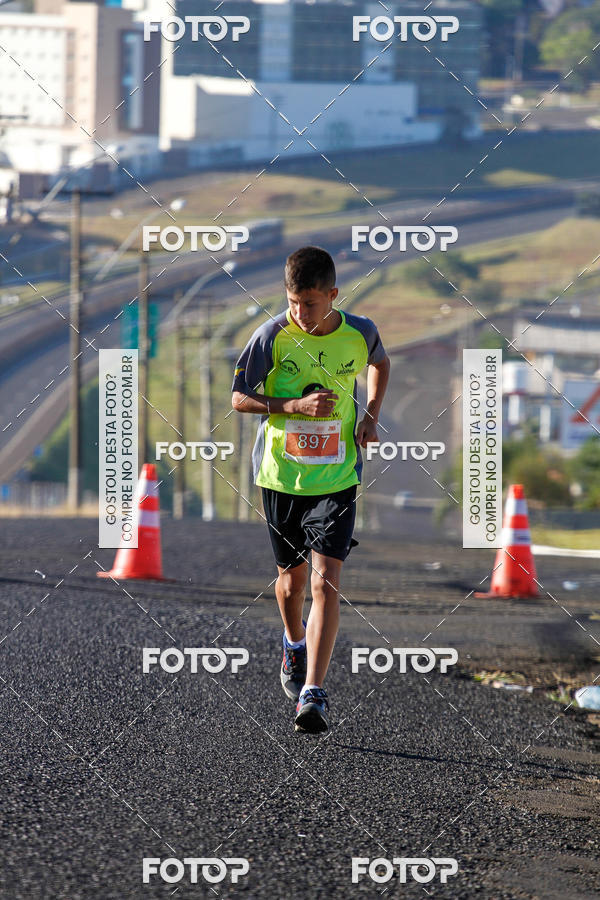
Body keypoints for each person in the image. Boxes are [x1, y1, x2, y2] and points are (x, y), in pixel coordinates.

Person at [231, 246, 390, 734]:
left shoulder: (359, 332)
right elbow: (239, 398)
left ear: (333, 295)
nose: (300, 313)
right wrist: (293, 408)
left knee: (325, 582)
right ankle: (293, 641)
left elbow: (381, 362)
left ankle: (313, 693)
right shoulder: (270, 336)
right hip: (282, 476)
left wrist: (371, 414)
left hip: (337, 477)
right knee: (291, 584)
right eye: (293, 302)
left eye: (311, 304)